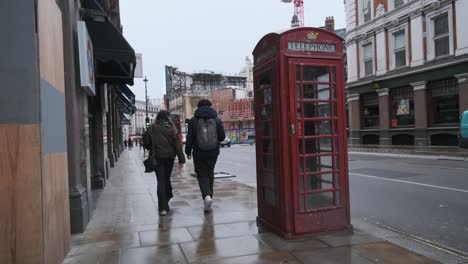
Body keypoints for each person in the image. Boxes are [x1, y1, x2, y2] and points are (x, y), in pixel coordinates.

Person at [185, 99, 225, 212]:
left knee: (202, 174)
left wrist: (188, 151)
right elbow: (222, 137)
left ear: (198, 107)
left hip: (199, 152)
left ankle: (206, 196)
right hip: (213, 152)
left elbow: (190, 138)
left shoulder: (193, 120)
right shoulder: (216, 119)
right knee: (210, 173)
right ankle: (209, 196)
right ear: (210, 106)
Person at [150, 110, 186, 216]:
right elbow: (177, 143)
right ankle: (166, 201)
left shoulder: (152, 127)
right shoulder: (172, 127)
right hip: (169, 158)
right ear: (167, 117)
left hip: (158, 158)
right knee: (166, 179)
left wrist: (152, 148)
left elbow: (146, 140)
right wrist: (181, 158)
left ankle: (163, 208)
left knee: (161, 180)